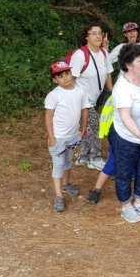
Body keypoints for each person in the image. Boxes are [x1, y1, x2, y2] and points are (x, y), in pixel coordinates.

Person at [109, 44, 140, 224]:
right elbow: (125, 116)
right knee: (124, 172)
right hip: (127, 138)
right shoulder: (122, 87)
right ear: (128, 65)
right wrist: (139, 134)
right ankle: (126, 205)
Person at [44, 61, 90, 212]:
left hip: (73, 136)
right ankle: (58, 196)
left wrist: (82, 128)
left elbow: (84, 110)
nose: (66, 78)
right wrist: (51, 137)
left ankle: (66, 184)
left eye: (67, 74)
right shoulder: (54, 95)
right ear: (55, 80)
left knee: (69, 161)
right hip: (58, 138)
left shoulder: (80, 91)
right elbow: (48, 117)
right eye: (61, 76)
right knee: (58, 165)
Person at [70, 24, 113, 171]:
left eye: (100, 33)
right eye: (94, 33)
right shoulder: (80, 55)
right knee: (95, 127)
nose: (98, 36)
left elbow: (108, 74)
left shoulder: (104, 54)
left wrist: (112, 93)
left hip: (96, 99)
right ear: (86, 36)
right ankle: (94, 158)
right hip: (82, 100)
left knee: (88, 129)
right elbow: (71, 80)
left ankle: (83, 156)